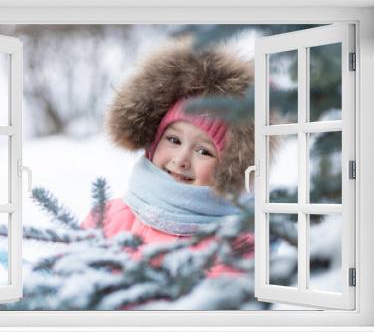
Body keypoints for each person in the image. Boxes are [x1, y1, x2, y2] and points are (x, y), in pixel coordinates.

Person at [84, 38, 255, 277]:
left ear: (229, 166)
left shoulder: (233, 244)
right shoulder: (110, 217)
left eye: (203, 151)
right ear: (154, 143)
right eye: (174, 140)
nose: (181, 159)